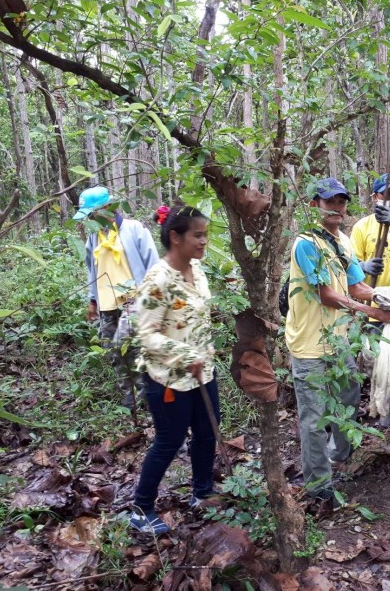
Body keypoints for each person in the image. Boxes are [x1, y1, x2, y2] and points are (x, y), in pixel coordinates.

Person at [286, 178, 390, 500]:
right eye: (329, 202)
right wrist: (370, 311)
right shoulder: (306, 243)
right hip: (309, 345)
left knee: (349, 397)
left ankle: (339, 453)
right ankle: (318, 486)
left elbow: (357, 286)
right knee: (313, 419)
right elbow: (325, 294)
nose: (336, 208)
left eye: (341, 202)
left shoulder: (344, 242)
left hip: (338, 342)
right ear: (314, 205)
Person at [129, 206, 217, 534]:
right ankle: (141, 508)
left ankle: (202, 493)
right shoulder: (158, 279)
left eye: (205, 235)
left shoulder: (198, 269)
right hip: (167, 378)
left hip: (203, 372)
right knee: (169, 440)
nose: (204, 241)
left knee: (207, 433)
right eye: (198, 235)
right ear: (176, 237)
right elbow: (146, 334)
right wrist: (184, 353)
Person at [74, 186, 159, 408]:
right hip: (107, 302)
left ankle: (147, 394)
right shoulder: (94, 237)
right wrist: (92, 301)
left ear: (108, 208)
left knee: (128, 344)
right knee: (113, 350)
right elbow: (92, 269)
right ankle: (130, 400)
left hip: (134, 299)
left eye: (92, 213)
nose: (90, 219)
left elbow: (153, 264)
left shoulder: (134, 229)